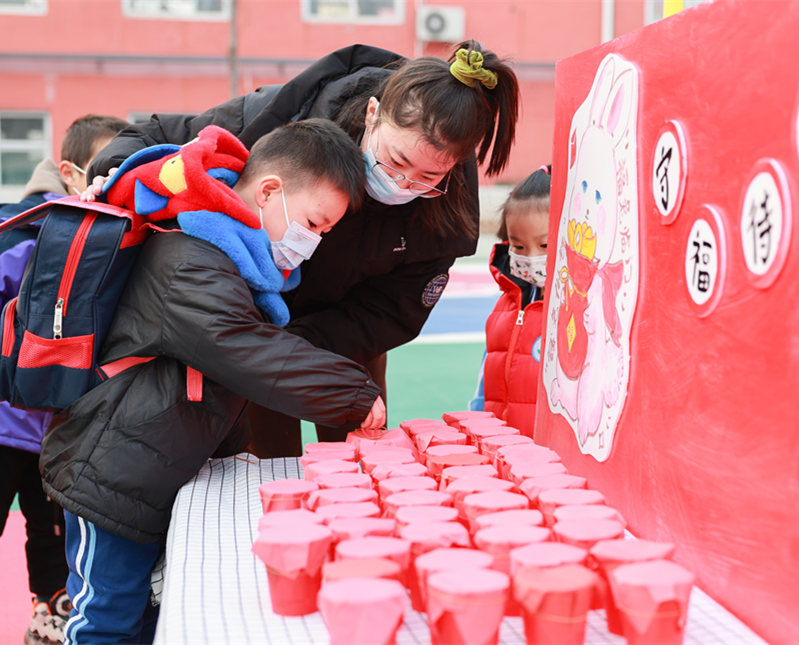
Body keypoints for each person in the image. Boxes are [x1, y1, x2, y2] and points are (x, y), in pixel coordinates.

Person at [39, 119, 385, 643]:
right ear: (270, 191)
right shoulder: (192, 260)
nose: (312, 242)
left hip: (146, 466)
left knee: (143, 614)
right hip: (109, 475)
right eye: (313, 223)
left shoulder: (228, 259)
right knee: (105, 621)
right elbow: (245, 350)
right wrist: (356, 395)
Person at [87, 40, 520, 456]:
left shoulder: (446, 208)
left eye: (428, 178)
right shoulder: (288, 116)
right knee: (271, 464)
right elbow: (164, 133)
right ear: (373, 114)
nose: (403, 184)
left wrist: (299, 346)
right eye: (397, 161)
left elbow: (394, 311)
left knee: (360, 453)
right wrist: (111, 169)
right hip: (255, 328)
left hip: (348, 339)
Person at [0, 113, 129, 645]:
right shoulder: (34, 232)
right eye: (107, 166)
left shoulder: (116, 237)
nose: (117, 178)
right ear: (73, 173)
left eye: (126, 166)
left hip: (61, 426)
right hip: (8, 419)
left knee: (54, 534)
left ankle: (49, 618)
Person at [469, 165, 551, 437]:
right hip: (502, 449)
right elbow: (485, 380)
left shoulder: (576, 313)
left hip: (549, 459)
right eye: (518, 246)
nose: (530, 256)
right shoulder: (505, 307)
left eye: (545, 246)